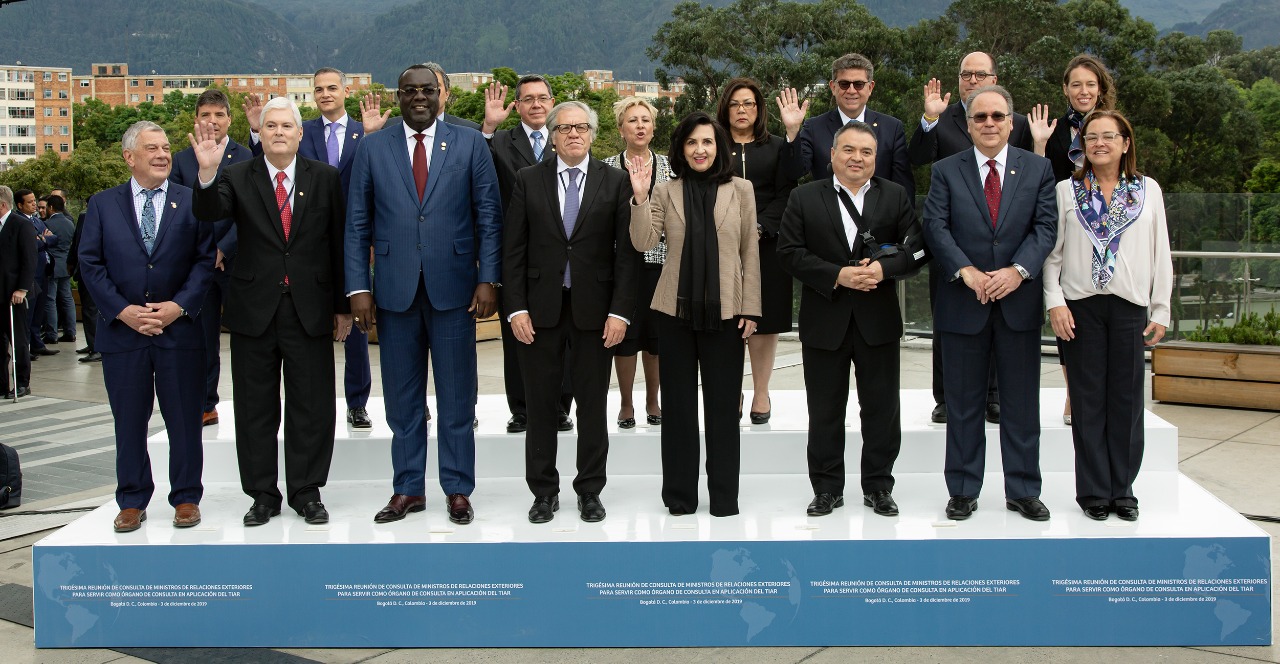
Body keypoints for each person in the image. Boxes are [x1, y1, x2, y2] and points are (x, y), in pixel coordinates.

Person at [346, 64, 502, 526]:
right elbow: (357, 224)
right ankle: (408, 489)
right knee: (401, 399)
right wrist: (359, 287)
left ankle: (457, 488)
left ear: (441, 95)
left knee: (457, 398)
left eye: (426, 90)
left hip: (454, 289)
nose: (418, 97)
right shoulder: (373, 147)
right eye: (409, 91)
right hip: (392, 292)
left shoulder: (471, 143)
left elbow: (489, 216)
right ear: (398, 97)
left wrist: (488, 279)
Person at [190, 96, 351, 527]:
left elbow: (336, 243)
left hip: (310, 309)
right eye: (271, 126)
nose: (279, 132)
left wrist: (343, 307)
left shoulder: (325, 178)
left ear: (301, 134)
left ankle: (306, 491)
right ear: (259, 134)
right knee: (256, 407)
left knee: (312, 406)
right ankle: (263, 494)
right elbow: (209, 213)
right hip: (253, 311)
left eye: (287, 126)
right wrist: (206, 173)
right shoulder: (236, 175)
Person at [777, 121, 928, 518]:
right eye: (848, 150)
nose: (856, 158)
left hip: (877, 320)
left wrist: (883, 270)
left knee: (881, 409)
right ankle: (827, 488)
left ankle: (878, 485)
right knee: (824, 409)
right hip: (824, 320)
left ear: (875, 158)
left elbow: (917, 249)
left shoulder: (894, 196)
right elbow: (789, 253)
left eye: (866, 152)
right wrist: (837, 275)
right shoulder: (804, 197)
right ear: (832, 154)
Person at [922, 85, 1057, 522]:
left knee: (1021, 404)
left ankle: (1023, 490)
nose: (989, 124)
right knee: (962, 405)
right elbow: (936, 228)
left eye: (998, 116)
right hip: (964, 303)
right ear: (968, 123)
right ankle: (962, 490)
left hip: (1017, 304)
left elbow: (1045, 228)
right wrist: (968, 272)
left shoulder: (1037, 169)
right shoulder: (945, 170)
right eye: (980, 117)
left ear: (1011, 121)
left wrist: (1016, 271)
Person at [78, 120, 215, 533]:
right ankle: (132, 499)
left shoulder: (191, 201)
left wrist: (179, 306)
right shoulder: (102, 204)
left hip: (179, 331)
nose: (161, 155)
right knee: (130, 420)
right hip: (124, 335)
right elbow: (89, 263)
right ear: (129, 157)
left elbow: (205, 259)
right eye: (151, 148)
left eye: (166, 147)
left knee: (185, 420)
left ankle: (187, 497)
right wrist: (122, 311)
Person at [504, 101, 637, 524]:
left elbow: (626, 256)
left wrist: (620, 312)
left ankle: (590, 491)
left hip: (596, 314)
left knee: (593, 406)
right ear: (554, 136)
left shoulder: (614, 182)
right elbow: (513, 250)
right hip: (538, 312)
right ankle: (544, 493)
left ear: (593, 134)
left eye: (581, 127)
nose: (573, 134)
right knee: (541, 406)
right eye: (564, 129)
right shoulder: (528, 180)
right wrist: (516, 308)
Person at [629, 111, 759, 517]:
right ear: (681, 150)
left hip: (727, 313)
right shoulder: (666, 191)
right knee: (680, 412)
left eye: (707, 142)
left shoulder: (741, 190)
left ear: (717, 147)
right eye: (691, 143)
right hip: (674, 313)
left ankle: (724, 499)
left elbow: (749, 253)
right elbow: (643, 241)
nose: (699, 149)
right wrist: (639, 196)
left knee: (723, 410)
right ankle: (680, 498)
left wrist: (751, 308)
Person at [1043, 110, 1171, 522]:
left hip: (1130, 308)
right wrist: (1054, 302)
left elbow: (1161, 253)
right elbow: (1052, 255)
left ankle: (1124, 488)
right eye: (1091, 136)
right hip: (1080, 309)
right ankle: (1095, 490)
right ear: (1081, 145)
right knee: (1087, 401)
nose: (1099, 143)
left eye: (1108, 136)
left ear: (1125, 143)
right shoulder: (1067, 190)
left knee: (1127, 401)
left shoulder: (1147, 189)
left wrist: (1161, 308)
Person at [908, 51, 1035, 425]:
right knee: (947, 323)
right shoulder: (941, 117)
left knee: (998, 322)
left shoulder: (1019, 123)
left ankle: (993, 395)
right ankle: (946, 397)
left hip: (1003, 243)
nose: (973, 80)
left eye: (981, 74)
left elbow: (1028, 177)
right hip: (951, 245)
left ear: (995, 77)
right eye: (966, 74)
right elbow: (916, 158)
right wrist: (929, 118)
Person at [482, 75, 574, 433]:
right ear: (516, 106)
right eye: (528, 99)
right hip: (517, 256)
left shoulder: (568, 138)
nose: (537, 105)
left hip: (563, 257)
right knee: (517, 333)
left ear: (552, 103)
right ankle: (520, 408)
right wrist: (488, 126)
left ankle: (559, 407)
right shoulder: (502, 142)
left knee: (564, 333)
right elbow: (479, 168)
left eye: (543, 98)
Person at [1030, 53, 1118, 425]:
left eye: (1090, 84)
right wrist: (1037, 144)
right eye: (1076, 84)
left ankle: (1105, 393)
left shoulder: (1113, 126)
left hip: (1107, 226)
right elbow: (1039, 177)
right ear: (1065, 89)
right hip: (1065, 224)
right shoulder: (1052, 128)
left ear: (1101, 89)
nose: (1083, 91)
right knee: (1070, 312)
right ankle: (1073, 392)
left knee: (1107, 311)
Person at [716, 78, 807, 423]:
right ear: (725, 108)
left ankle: (762, 392)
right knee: (727, 321)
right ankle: (732, 390)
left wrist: (759, 228)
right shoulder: (713, 146)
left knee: (764, 323)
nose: (742, 110)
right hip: (721, 247)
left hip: (766, 246)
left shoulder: (777, 146)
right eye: (736, 104)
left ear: (759, 109)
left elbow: (788, 192)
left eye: (749, 104)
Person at [170, 89, 254, 427]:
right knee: (202, 338)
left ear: (229, 119)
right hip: (199, 263)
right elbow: (179, 211)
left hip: (237, 261)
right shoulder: (182, 159)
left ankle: (250, 401)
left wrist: (224, 247)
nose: (213, 121)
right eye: (206, 115)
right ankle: (206, 403)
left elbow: (249, 209)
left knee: (247, 336)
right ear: (197, 118)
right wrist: (208, 250)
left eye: (219, 115)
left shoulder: (245, 154)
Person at [602, 97, 673, 429]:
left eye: (646, 120)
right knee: (625, 338)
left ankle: (653, 401)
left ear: (654, 127)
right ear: (621, 128)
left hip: (662, 265)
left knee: (656, 340)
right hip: (620, 265)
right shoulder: (604, 167)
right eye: (632, 120)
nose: (640, 125)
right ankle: (627, 403)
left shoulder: (672, 166)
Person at [798, 53, 914, 196]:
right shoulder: (814, 127)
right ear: (833, 87)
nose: (851, 91)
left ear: (870, 87)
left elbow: (903, 185)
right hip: (829, 215)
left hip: (879, 216)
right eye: (844, 84)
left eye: (858, 84)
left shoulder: (892, 128)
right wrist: (792, 131)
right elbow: (796, 171)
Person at [0, 185, 36, 400]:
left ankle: (22, 382)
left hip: (15, 294)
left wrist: (22, 288)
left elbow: (30, 259)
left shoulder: (20, 224)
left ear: (3, 205)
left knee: (18, 339)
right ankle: (2, 383)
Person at [15, 190, 58, 359]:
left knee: (39, 312)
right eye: (30, 202)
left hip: (43, 271)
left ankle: (37, 344)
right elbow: (30, 245)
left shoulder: (37, 221)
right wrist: (42, 240)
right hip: (30, 275)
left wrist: (43, 240)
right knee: (28, 313)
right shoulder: (18, 222)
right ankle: (26, 349)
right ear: (20, 205)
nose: (34, 204)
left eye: (34, 201)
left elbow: (54, 238)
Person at [40, 195, 77, 344]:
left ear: (50, 208)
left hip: (52, 265)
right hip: (65, 265)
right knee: (67, 299)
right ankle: (71, 331)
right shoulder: (69, 223)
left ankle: (51, 333)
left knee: (50, 300)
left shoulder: (47, 224)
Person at [423, 62, 481, 130]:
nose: (430, 91)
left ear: (447, 94)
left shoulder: (470, 130)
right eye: (424, 87)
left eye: (436, 86)